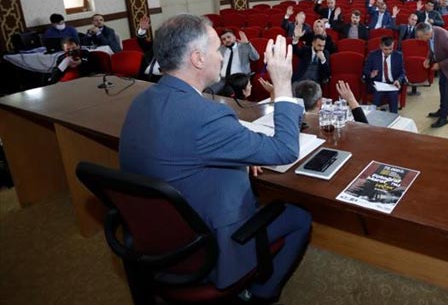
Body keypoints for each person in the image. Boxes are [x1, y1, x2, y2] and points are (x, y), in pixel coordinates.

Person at [118, 15, 310, 303]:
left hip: (156, 239)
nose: (221, 57)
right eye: (217, 49)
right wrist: (282, 85)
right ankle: (261, 293)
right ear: (197, 58)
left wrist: (240, 155)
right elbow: (284, 150)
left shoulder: (142, 101)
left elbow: (183, 149)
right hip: (207, 245)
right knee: (300, 217)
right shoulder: (207, 117)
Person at [416, 22, 448, 128]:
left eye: (420, 37)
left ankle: (444, 117)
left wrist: (439, 64)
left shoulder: (445, 38)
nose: (419, 39)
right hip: (444, 65)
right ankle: (442, 110)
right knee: (442, 88)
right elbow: (432, 48)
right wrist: (428, 58)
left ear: (427, 34)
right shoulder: (431, 32)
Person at [292, 80, 368, 124]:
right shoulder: (328, 126)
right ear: (319, 103)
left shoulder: (291, 123)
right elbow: (365, 129)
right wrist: (351, 99)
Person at [363, 36, 406, 113]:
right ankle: (372, 115)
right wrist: (371, 74)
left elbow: (402, 72)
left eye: (390, 49)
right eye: (385, 49)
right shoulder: (373, 55)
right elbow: (365, 70)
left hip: (392, 84)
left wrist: (398, 80)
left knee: (393, 94)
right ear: (380, 47)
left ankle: (393, 116)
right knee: (377, 95)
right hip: (378, 84)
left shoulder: (398, 56)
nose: (388, 51)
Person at [212, 29, 259, 93]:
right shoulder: (221, 49)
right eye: (224, 39)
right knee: (210, 90)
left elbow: (256, 58)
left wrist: (247, 44)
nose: (227, 40)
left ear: (234, 37)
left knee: (228, 92)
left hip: (239, 78)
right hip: (223, 78)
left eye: (229, 37)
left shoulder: (244, 46)